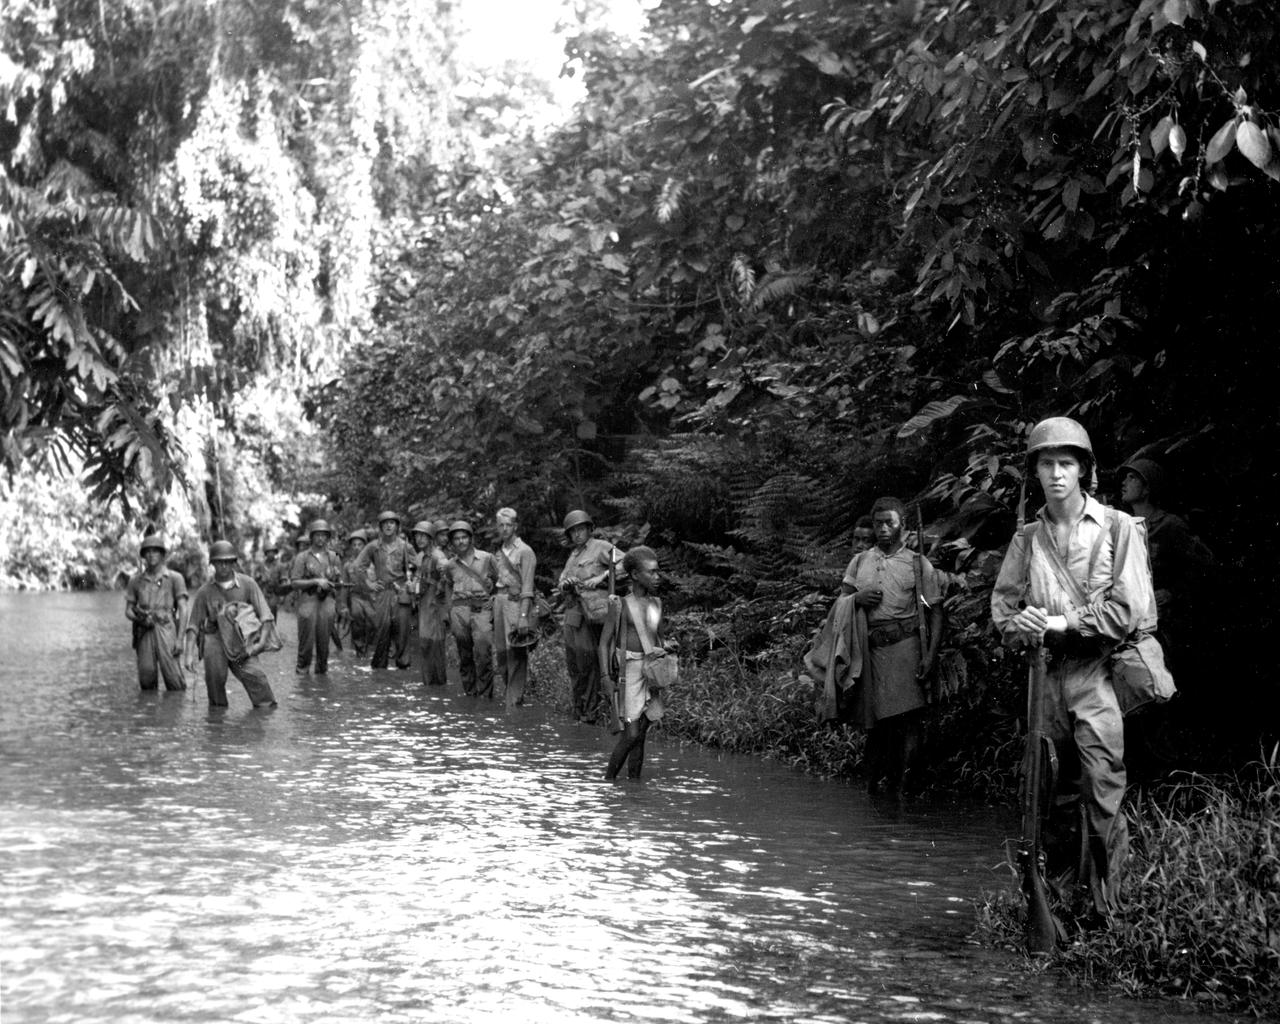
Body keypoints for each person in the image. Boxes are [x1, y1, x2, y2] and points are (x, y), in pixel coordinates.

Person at [991, 416, 1157, 921]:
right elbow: (1003, 611)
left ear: (1084, 469)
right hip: (1044, 674)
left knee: (1102, 785)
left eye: (1067, 463)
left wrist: (1063, 621)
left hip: (1097, 670)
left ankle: (1111, 908)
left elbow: (1127, 610)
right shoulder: (1027, 539)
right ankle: (1061, 905)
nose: (1057, 473)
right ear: (1035, 472)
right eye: (1047, 464)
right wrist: (1022, 623)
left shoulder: (1118, 527)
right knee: (1052, 791)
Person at [840, 497, 944, 794]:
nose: (883, 529)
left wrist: (930, 656)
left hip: (907, 648)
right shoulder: (860, 561)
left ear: (903, 526)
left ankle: (903, 792)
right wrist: (856, 599)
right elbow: (841, 603)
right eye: (878, 524)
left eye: (890, 523)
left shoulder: (917, 563)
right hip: (871, 651)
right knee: (876, 726)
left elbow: (936, 612)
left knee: (909, 721)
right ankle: (873, 793)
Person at [599, 546, 674, 780]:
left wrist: (668, 648)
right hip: (629, 672)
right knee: (631, 734)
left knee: (640, 735)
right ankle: (608, 782)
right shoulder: (620, 605)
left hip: (650, 671)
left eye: (657, 571)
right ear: (634, 575)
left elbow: (657, 637)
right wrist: (605, 677)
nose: (657, 577)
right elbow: (603, 644)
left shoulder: (656, 604)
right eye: (651, 572)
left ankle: (633, 787)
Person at [182, 540, 280, 708]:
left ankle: (265, 712)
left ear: (234, 562)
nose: (224, 566)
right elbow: (193, 626)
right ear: (212, 564)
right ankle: (218, 716)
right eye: (219, 562)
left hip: (240, 643)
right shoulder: (205, 592)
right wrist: (188, 654)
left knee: (255, 677)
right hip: (215, 641)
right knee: (215, 680)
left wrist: (261, 643)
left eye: (228, 562)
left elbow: (266, 616)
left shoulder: (247, 584)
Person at [558, 510, 618, 721]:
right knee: (573, 661)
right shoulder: (573, 555)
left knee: (588, 660)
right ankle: (578, 709)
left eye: (581, 529)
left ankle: (591, 711)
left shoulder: (600, 547)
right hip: (574, 610)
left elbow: (624, 564)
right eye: (573, 531)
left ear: (589, 529)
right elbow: (561, 582)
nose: (577, 534)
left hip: (594, 611)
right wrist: (566, 584)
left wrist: (602, 576)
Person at [124, 534, 189, 692]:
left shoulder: (175, 578)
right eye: (147, 552)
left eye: (155, 551)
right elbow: (128, 610)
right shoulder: (135, 581)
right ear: (143, 555)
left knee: (174, 680)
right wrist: (139, 618)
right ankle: (149, 707)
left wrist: (180, 639)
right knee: (146, 678)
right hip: (144, 630)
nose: (151, 555)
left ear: (162, 554)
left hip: (167, 629)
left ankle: (177, 705)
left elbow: (183, 608)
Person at [353, 510, 416, 669]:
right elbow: (358, 566)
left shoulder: (406, 546)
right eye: (385, 523)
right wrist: (369, 584)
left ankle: (403, 669)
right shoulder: (374, 546)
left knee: (402, 632)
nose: (388, 526)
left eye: (392, 523)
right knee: (382, 631)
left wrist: (413, 584)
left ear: (397, 526)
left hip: (401, 593)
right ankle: (379, 670)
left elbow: (419, 568)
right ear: (380, 527)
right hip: (382, 593)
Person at [444, 520, 498, 698]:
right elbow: (448, 585)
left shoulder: (487, 558)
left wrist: (494, 598)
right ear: (452, 542)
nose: (461, 541)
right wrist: (450, 610)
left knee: (483, 651)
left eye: (464, 537)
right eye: (456, 538)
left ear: (471, 538)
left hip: (482, 608)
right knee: (465, 654)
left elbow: (500, 581)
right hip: (459, 610)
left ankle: (485, 695)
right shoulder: (450, 565)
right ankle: (470, 694)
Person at [493, 507, 537, 708]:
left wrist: (523, 616)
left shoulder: (525, 551)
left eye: (508, 525)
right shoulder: (499, 552)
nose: (504, 529)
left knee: (516, 654)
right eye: (501, 525)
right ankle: (511, 697)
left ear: (515, 526)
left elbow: (527, 587)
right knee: (502, 654)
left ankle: (514, 703)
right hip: (499, 602)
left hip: (516, 603)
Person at [289, 519, 342, 675]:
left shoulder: (334, 557)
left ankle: (321, 677)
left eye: (324, 535)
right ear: (311, 537)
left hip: (327, 602)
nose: (320, 538)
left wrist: (335, 582)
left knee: (324, 645)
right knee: (306, 644)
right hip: (308, 601)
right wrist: (315, 581)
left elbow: (339, 583)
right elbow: (294, 583)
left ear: (328, 538)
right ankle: (302, 676)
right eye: (317, 535)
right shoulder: (302, 557)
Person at [414, 519, 451, 687]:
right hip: (424, 607)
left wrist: (441, 589)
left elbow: (447, 579)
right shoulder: (422, 557)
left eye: (423, 536)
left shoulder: (438, 556)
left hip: (435, 608)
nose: (419, 539)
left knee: (435, 647)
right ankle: (429, 686)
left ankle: (438, 686)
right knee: (425, 645)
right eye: (417, 536)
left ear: (430, 538)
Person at [341, 528, 375, 656]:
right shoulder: (347, 565)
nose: (356, 547)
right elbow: (344, 587)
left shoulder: (374, 563)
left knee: (373, 625)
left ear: (365, 546)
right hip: (355, 597)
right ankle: (360, 653)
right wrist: (343, 606)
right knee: (357, 621)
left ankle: (371, 652)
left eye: (359, 544)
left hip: (372, 598)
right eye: (354, 545)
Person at [252, 543, 289, 619]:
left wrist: (283, 595)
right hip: (262, 591)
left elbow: (283, 579)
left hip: (274, 592)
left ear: (275, 553)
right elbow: (254, 579)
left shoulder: (280, 566)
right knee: (260, 612)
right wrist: (259, 578)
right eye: (269, 552)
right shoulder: (261, 565)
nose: (271, 554)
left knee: (272, 610)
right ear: (266, 553)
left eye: (272, 552)